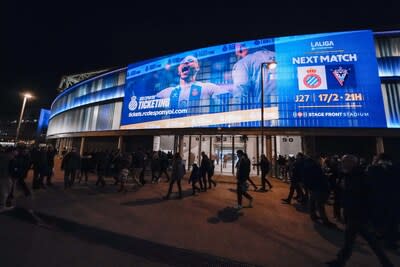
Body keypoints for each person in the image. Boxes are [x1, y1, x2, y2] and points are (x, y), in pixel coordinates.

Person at [326, 155, 394, 267]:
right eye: (342, 162)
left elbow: (365, 195)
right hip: (353, 213)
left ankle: (341, 261)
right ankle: (341, 261)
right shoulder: (348, 175)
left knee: (364, 241)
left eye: (345, 162)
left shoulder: (360, 175)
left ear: (352, 163)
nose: (342, 164)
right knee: (354, 240)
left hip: (359, 214)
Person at [156, 56, 230, 110]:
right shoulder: (167, 92)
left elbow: (230, 100)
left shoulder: (209, 88)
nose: (186, 63)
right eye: (183, 62)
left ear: (197, 68)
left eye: (190, 61)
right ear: (178, 70)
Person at [302, 156, 336, 228]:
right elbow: (321, 177)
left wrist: (307, 186)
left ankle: (313, 215)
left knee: (313, 202)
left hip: (313, 187)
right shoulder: (316, 167)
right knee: (319, 205)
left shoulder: (306, 167)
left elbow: (305, 178)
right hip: (318, 187)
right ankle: (324, 220)